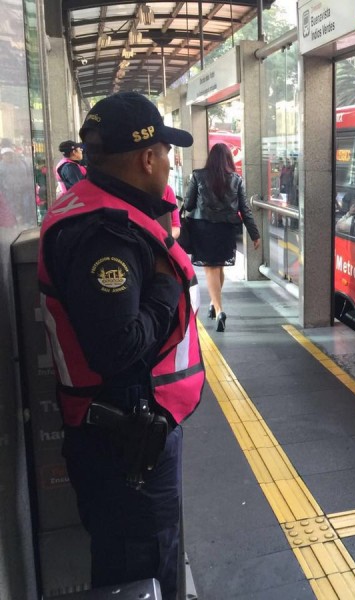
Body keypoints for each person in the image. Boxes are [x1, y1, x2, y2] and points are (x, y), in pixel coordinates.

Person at [37, 92, 204, 600]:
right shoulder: (104, 233)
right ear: (147, 158)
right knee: (142, 572)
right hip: (126, 448)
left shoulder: (99, 210)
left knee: (145, 564)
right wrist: (167, 282)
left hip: (124, 440)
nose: (171, 165)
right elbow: (117, 348)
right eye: (167, 153)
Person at [184, 142, 261, 331]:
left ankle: (219, 310)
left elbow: (188, 204)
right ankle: (213, 302)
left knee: (211, 269)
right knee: (219, 267)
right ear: (228, 159)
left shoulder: (197, 175)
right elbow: (245, 209)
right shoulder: (236, 179)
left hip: (203, 228)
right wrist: (254, 234)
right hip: (226, 229)